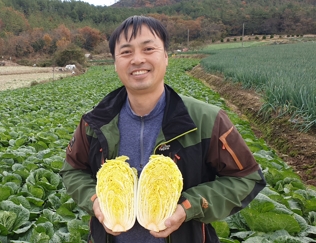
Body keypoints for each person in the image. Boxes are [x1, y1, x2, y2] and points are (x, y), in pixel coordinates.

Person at [60, 16, 266, 243]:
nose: (137, 59)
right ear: (115, 62)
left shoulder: (207, 120)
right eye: (126, 52)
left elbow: (246, 178)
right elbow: (72, 171)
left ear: (166, 57)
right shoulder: (94, 122)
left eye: (148, 48)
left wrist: (189, 206)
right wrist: (95, 200)